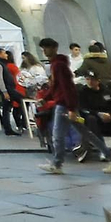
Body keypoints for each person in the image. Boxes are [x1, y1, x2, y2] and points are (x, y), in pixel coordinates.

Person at [38, 37, 107, 174]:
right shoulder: (57, 64)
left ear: (54, 48)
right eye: (43, 48)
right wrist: (46, 98)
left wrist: (70, 107)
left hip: (63, 104)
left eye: (46, 48)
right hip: (64, 103)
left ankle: (57, 164)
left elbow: (66, 87)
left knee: (58, 135)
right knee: (84, 132)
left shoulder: (58, 65)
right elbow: (58, 86)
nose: (45, 51)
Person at [0, 48, 22, 136]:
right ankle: (20, 123)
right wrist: (4, 91)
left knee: (6, 108)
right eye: (4, 53)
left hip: (8, 88)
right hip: (8, 89)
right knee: (21, 100)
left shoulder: (0, 64)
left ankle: (8, 129)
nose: (6, 55)